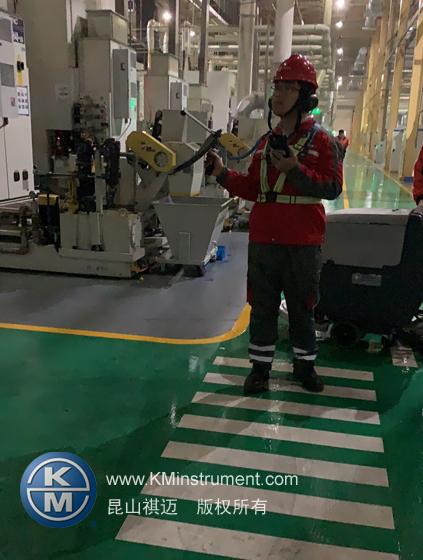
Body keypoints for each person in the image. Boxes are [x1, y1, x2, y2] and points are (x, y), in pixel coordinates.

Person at [206, 54, 343, 395]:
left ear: (305, 95)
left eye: (287, 88)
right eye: (277, 87)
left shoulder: (322, 141)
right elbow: (254, 187)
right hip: (264, 238)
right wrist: (222, 174)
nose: (278, 95)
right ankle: (260, 369)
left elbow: (332, 187)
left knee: (302, 306)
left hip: (303, 241)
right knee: (262, 305)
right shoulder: (267, 142)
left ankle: (304, 366)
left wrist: (295, 170)